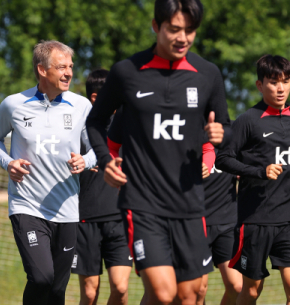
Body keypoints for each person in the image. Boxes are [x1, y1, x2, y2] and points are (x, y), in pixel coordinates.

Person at [85, 0, 231, 304]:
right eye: (174, 29)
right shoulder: (127, 72)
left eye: (190, 30)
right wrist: (105, 159)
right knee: (164, 292)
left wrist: (220, 134)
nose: (183, 38)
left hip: (190, 203)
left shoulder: (208, 74)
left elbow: (225, 126)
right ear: (156, 26)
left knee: (190, 294)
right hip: (142, 202)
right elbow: (96, 121)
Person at [0, 40, 96, 305]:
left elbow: (96, 148)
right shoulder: (13, 104)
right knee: (42, 277)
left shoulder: (81, 106)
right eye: (61, 67)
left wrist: (85, 160)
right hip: (28, 206)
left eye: (70, 66)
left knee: (57, 291)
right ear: (42, 70)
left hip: (67, 209)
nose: (69, 72)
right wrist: (7, 162)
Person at [216, 54, 290, 305]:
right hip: (255, 220)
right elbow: (223, 159)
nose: (280, 88)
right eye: (273, 82)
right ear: (260, 85)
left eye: (286, 81)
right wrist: (260, 171)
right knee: (250, 292)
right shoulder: (247, 121)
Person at [71, 68, 133, 305]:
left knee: (121, 287)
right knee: (89, 293)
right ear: (96, 98)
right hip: (86, 219)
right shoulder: (79, 130)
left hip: (121, 218)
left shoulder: (131, 125)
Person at [196, 141, 242, 305]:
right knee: (199, 290)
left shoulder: (232, 141)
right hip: (196, 224)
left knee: (237, 287)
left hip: (227, 223)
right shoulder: (191, 136)